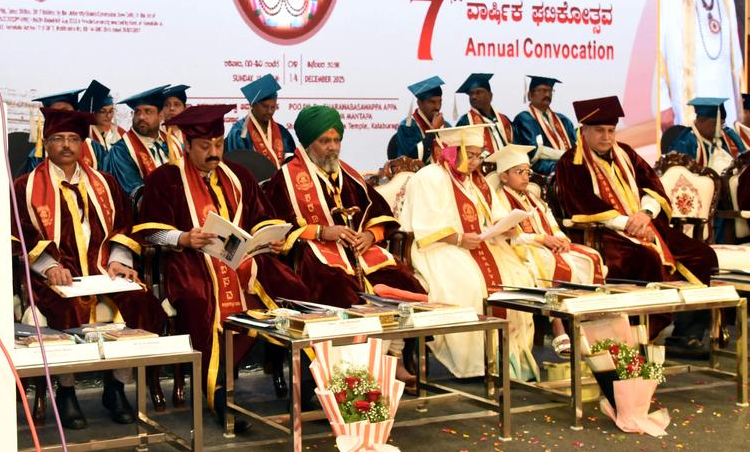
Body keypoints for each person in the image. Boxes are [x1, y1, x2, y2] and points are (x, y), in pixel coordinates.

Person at [133, 104, 310, 431]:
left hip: (245, 261)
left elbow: (263, 217)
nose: (214, 153)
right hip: (192, 260)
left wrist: (270, 240)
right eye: (205, 146)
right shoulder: (165, 179)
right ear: (187, 145)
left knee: (293, 288)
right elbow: (148, 232)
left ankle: (311, 383)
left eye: (218, 144)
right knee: (201, 299)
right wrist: (184, 237)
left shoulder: (239, 175)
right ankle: (218, 395)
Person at [12, 108, 165, 429]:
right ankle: (67, 391)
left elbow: (124, 225)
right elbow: (18, 235)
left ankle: (116, 387)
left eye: (72, 139)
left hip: (104, 273)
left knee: (139, 301)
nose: (66, 145)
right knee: (67, 307)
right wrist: (49, 266)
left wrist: (120, 261)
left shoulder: (105, 183)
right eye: (58, 139)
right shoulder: (25, 186)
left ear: (82, 143)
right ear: (46, 143)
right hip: (54, 277)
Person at [263, 106, 425, 382]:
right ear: (308, 143)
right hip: (313, 255)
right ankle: (347, 372)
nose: (333, 147)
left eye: (336, 140)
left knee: (402, 280)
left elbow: (378, 213)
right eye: (325, 141)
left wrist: (370, 235)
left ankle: (394, 357)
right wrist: (321, 231)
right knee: (341, 291)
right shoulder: (286, 178)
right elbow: (276, 226)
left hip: (360, 251)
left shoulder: (349, 175)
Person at [554, 96, 721, 347]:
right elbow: (581, 203)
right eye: (599, 131)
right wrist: (628, 225)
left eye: (611, 130)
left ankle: (686, 332)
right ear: (584, 130)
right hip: (604, 232)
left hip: (646, 224)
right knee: (646, 258)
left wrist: (645, 214)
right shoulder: (571, 162)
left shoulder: (626, 153)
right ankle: (639, 335)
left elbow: (651, 185)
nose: (607, 137)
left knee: (703, 255)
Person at [400, 124, 538, 380]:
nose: (475, 162)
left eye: (479, 155)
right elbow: (424, 226)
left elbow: (495, 215)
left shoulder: (478, 181)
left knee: (518, 279)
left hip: (479, 244)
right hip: (439, 248)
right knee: (471, 284)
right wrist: (459, 239)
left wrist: (506, 226)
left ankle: (511, 357)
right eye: (470, 155)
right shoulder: (428, 177)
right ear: (451, 151)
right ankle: (476, 363)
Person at [487, 144, 605, 358]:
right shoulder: (499, 199)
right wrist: (542, 239)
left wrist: (561, 239)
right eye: (519, 172)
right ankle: (558, 326)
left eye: (527, 172)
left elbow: (550, 221)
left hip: (547, 244)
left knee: (590, 257)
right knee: (545, 261)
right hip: (520, 248)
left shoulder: (533, 197)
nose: (525, 177)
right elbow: (510, 234)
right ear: (503, 176)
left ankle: (586, 323)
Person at [102, 85, 177, 195]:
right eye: (137, 112)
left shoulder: (175, 144)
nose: (141, 117)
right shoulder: (121, 151)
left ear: (160, 116)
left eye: (148, 111)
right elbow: (134, 192)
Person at [225, 74, 296, 168]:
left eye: (273, 107)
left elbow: (291, 164)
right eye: (265, 106)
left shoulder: (282, 133)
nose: (269, 111)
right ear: (252, 104)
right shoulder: (239, 133)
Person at [663, 97, 747, 172]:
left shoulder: (726, 135)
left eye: (722, 124)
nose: (719, 129)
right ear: (701, 120)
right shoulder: (686, 143)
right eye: (716, 124)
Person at [512, 76, 575, 176]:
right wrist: (566, 156)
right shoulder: (524, 119)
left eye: (550, 91)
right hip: (538, 170)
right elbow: (534, 151)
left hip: (567, 165)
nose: (547, 94)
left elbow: (575, 147)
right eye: (542, 90)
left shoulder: (564, 120)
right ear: (530, 95)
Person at [455, 73, 513, 154]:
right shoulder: (465, 122)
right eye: (471, 94)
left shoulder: (504, 120)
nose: (474, 97)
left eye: (479, 92)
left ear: (490, 95)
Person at [391, 76, 445, 162]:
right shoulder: (407, 127)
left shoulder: (444, 125)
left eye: (440, 101)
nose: (437, 107)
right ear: (420, 103)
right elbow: (413, 158)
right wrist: (433, 131)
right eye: (432, 102)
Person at [79, 79, 122, 156]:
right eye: (103, 111)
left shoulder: (120, 133)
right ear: (93, 113)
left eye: (111, 111)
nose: (108, 116)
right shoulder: (84, 135)